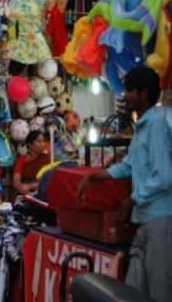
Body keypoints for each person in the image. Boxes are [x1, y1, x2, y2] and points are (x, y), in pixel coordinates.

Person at [77, 67, 172, 302]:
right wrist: (98, 176)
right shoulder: (143, 125)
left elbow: (164, 176)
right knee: (134, 291)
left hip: (161, 220)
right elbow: (131, 165)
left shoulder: (157, 124)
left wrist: (132, 199)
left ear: (143, 93)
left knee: (159, 292)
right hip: (144, 219)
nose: (124, 96)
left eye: (129, 90)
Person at [13, 130, 51, 196]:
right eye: (39, 141)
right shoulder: (22, 160)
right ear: (30, 145)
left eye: (43, 141)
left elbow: (48, 180)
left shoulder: (47, 159)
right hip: (24, 194)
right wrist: (21, 188)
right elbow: (16, 181)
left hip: (41, 194)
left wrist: (30, 186)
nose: (43, 144)